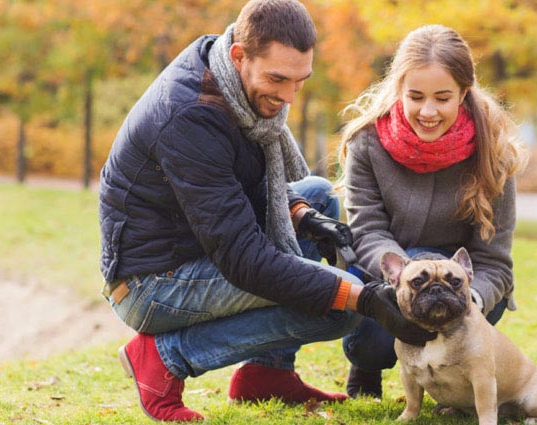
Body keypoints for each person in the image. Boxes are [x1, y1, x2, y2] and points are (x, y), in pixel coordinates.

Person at [98, 0, 435, 421]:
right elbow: (244, 260)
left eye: (300, 81)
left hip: (197, 248)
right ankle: (165, 357)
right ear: (240, 55)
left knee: (315, 194)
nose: (289, 95)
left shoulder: (230, 79)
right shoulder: (191, 117)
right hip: (151, 283)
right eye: (278, 79)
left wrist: (300, 214)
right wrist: (362, 297)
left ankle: (267, 374)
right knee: (338, 311)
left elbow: (250, 187)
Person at [336, 24, 527, 398]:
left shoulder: (495, 154)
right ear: (398, 91)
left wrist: (470, 297)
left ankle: (456, 383)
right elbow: (367, 231)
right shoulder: (366, 144)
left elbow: (494, 260)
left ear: (463, 93)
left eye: (442, 98)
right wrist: (406, 277)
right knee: (373, 339)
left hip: (464, 284)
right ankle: (366, 364)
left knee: (462, 327)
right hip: (391, 274)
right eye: (416, 96)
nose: (428, 111)